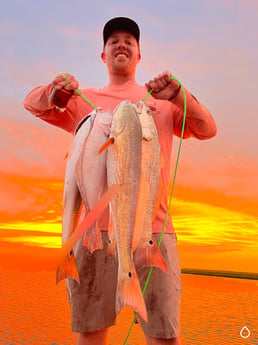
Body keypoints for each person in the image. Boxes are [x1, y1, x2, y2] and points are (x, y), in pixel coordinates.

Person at [24, 17, 217, 345]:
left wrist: (180, 95)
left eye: (129, 39)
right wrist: (53, 93)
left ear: (139, 54)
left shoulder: (161, 99)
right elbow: (33, 104)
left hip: (152, 231)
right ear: (103, 55)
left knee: (165, 336)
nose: (122, 44)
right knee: (91, 334)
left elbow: (207, 129)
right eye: (113, 40)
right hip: (92, 235)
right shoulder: (82, 99)